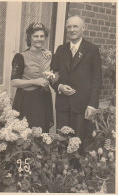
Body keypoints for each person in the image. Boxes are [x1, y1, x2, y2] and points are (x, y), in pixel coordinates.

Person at [51, 15, 102, 152]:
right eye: (69, 26)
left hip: (82, 106)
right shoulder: (61, 49)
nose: (72, 30)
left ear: (83, 28)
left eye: (75, 26)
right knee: (62, 143)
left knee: (79, 144)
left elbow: (97, 79)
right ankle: (61, 171)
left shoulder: (92, 49)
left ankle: (76, 172)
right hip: (63, 105)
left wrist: (91, 105)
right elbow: (52, 75)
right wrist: (59, 86)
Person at [11, 22, 54, 132]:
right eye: (35, 36)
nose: (39, 39)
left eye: (42, 36)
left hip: (43, 99)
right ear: (30, 38)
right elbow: (14, 82)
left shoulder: (48, 55)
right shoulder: (20, 56)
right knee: (27, 134)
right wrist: (35, 81)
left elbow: (54, 75)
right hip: (27, 100)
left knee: (42, 134)